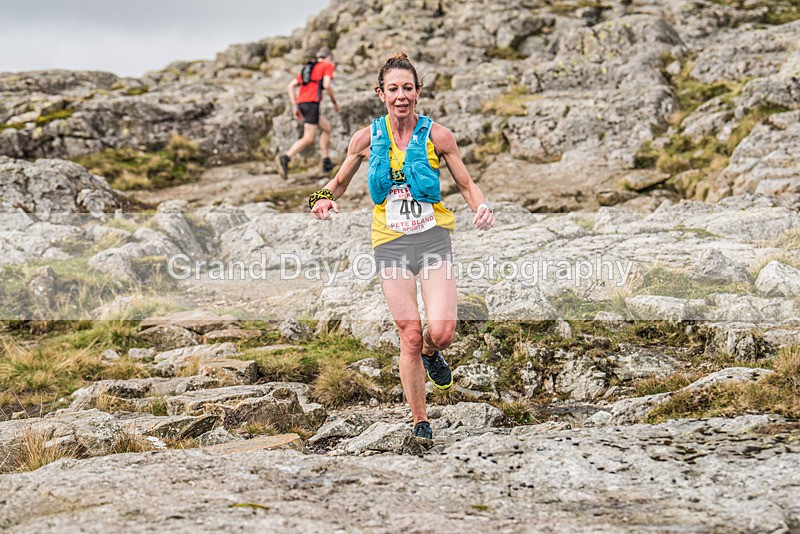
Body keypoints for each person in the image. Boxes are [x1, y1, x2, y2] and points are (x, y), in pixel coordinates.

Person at [308, 53, 495, 443]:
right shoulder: (365, 138)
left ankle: (431, 353)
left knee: (440, 332)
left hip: (432, 238)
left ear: (417, 92)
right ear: (381, 94)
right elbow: (338, 181)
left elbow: (465, 183)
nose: (401, 96)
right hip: (390, 242)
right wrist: (321, 199)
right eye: (393, 89)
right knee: (409, 332)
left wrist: (481, 207)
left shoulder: (438, 135)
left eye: (407, 88)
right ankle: (420, 421)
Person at [275, 47, 340, 179]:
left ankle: (326, 161)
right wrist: (334, 102)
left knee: (326, 127)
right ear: (329, 58)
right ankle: (286, 157)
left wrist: (295, 107)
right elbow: (327, 85)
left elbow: (290, 86)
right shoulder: (327, 65)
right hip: (311, 104)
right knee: (308, 138)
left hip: (302, 103)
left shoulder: (308, 68)